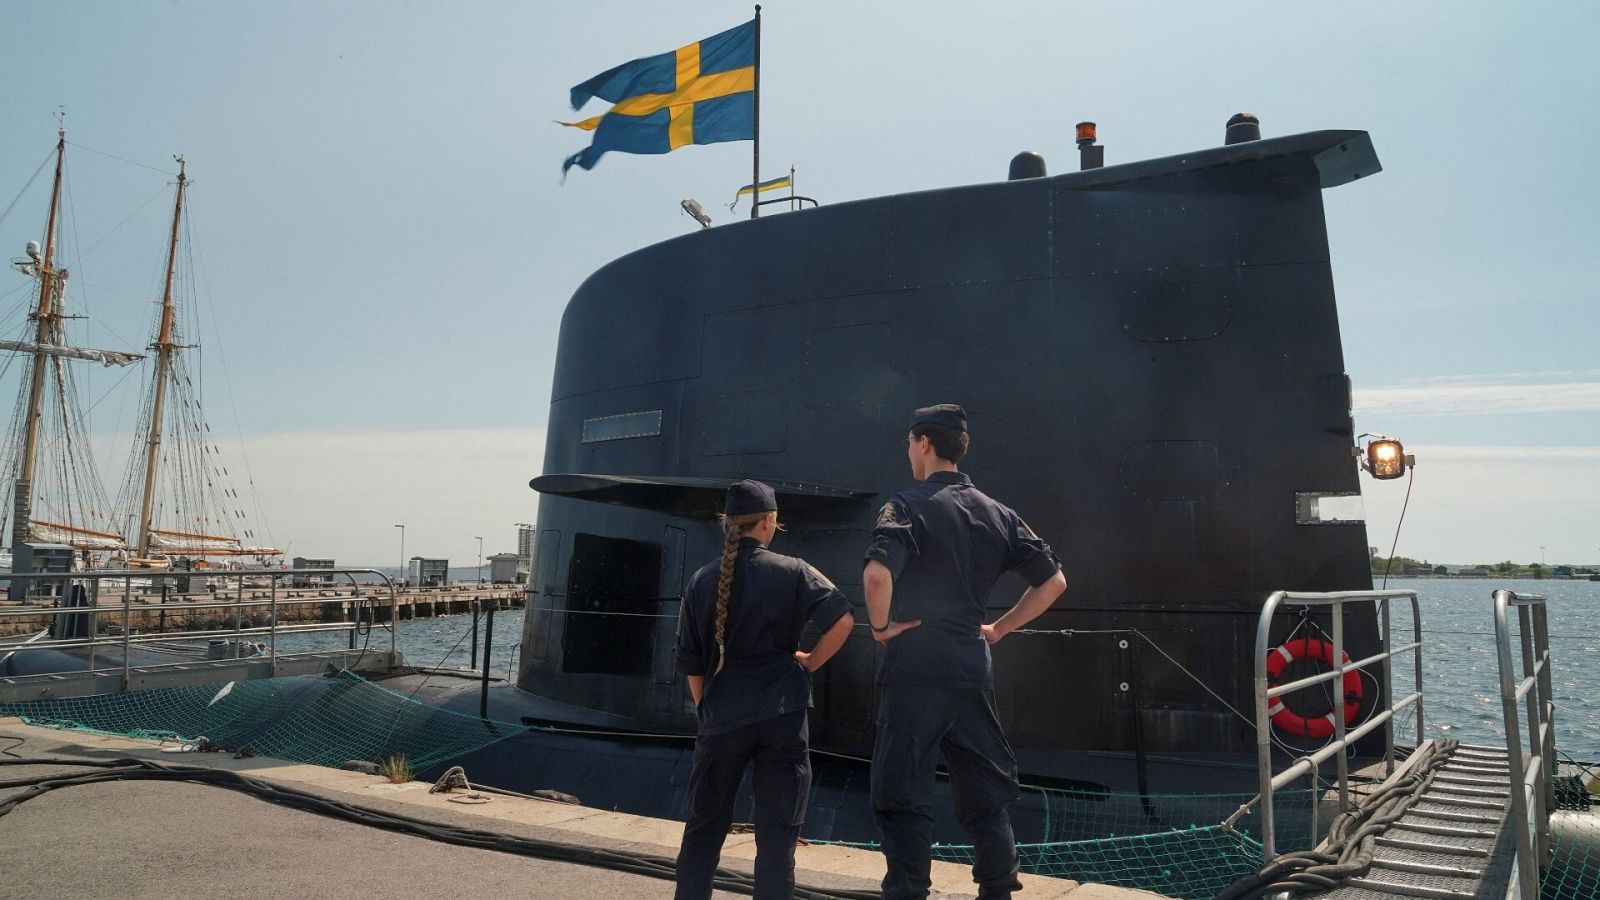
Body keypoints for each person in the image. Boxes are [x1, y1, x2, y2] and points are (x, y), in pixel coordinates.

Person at [864, 404, 1068, 900]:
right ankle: (997, 890)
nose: (909, 452)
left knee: (902, 792)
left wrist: (880, 627)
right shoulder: (998, 512)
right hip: (971, 670)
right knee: (985, 794)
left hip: (915, 669)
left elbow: (876, 574)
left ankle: (908, 890)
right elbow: (1054, 582)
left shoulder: (906, 506)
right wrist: (998, 628)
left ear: (925, 443)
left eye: (910, 443)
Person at [674, 479, 856, 900]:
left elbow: (691, 662)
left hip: (722, 717)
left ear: (728, 524)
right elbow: (843, 619)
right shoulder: (794, 571)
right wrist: (810, 661)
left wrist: (708, 709)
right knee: (777, 839)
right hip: (782, 715)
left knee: (704, 829)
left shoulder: (701, 581)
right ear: (770, 521)